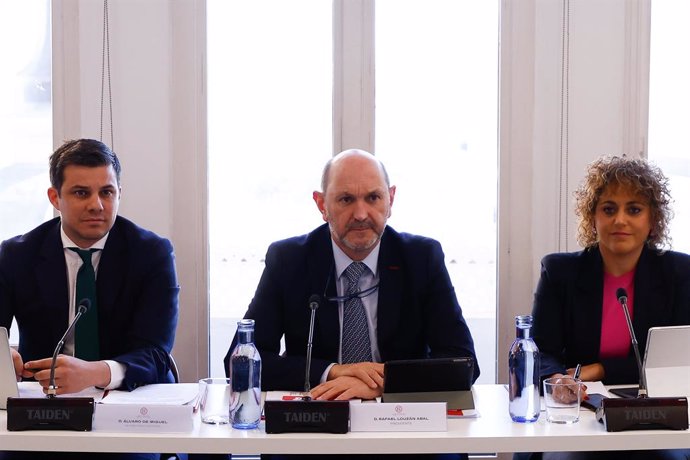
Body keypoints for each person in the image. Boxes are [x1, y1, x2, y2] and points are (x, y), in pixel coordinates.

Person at [224, 149, 479, 460]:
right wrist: (333, 372)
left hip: (405, 428)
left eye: (373, 198)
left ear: (391, 200)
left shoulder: (421, 257)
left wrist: (382, 382)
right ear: (322, 205)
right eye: (346, 200)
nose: (361, 214)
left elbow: (463, 363)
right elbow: (240, 362)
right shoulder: (290, 260)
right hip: (315, 430)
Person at [0, 138, 180, 460]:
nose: (96, 205)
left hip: (127, 410)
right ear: (55, 197)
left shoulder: (151, 253)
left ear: (119, 194)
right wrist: (3, 360)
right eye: (81, 193)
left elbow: (156, 353)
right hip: (44, 411)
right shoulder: (17, 255)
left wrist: (96, 372)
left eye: (106, 192)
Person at [525, 155, 690, 460]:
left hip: (653, 421)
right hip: (578, 416)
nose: (620, 220)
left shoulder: (680, 273)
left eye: (634, 209)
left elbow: (674, 363)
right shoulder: (560, 271)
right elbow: (540, 350)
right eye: (609, 209)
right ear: (593, 217)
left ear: (652, 220)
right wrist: (556, 379)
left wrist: (599, 369)